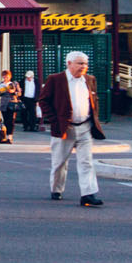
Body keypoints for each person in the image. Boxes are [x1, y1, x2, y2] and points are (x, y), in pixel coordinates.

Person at [37, 51, 105, 207]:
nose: (83, 67)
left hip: (85, 127)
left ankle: (88, 194)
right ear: (69, 63)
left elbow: (94, 100)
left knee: (86, 161)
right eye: (80, 63)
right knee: (60, 162)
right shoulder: (56, 79)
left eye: (85, 64)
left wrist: (94, 118)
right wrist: (54, 121)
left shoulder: (89, 80)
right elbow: (43, 101)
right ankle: (57, 189)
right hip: (64, 128)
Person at [0, 70, 20, 143]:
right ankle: (6, 137)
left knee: (11, 121)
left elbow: (19, 93)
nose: (5, 77)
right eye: (4, 76)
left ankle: (10, 137)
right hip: (4, 104)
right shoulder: (0, 84)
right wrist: (2, 90)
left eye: (7, 76)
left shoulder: (14, 83)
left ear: (10, 76)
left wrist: (13, 92)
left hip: (12, 103)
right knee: (6, 120)